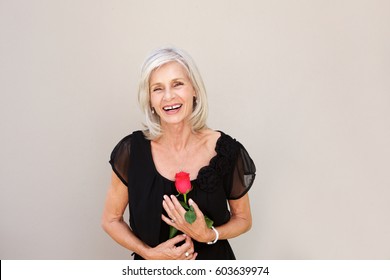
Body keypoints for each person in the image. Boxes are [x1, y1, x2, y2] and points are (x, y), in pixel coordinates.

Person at [102, 47, 256, 260]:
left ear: (194, 89)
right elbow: (110, 220)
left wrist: (209, 234)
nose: (168, 96)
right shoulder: (131, 152)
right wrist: (149, 254)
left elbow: (244, 219)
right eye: (157, 88)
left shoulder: (226, 151)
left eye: (177, 84)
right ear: (150, 100)